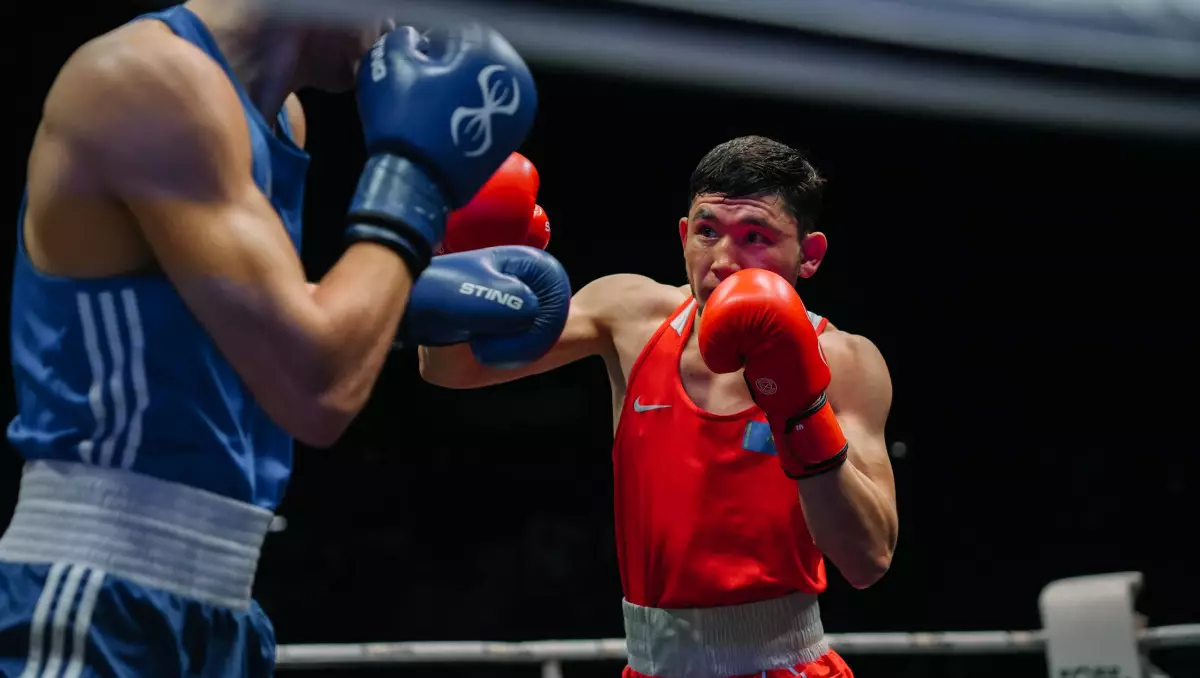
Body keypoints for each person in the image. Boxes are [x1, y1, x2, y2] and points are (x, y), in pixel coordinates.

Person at [0, 0, 570, 675]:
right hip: (98, 585)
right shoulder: (145, 80)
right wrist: (413, 179)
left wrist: (392, 309)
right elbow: (315, 391)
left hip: (223, 598)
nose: (402, 24)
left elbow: (252, 331)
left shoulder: (279, 119)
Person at [420, 135, 899, 678]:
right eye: (707, 232)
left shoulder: (845, 361)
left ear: (809, 255)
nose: (723, 261)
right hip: (650, 666)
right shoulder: (629, 316)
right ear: (683, 235)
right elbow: (451, 369)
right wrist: (459, 256)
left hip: (787, 666)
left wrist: (800, 408)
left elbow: (867, 561)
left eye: (755, 237)